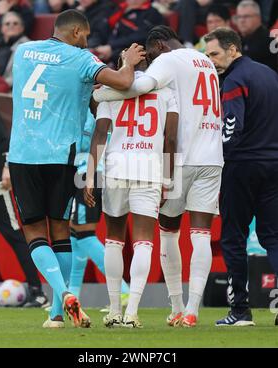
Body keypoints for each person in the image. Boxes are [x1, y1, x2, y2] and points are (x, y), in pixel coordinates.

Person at [8, 9, 145, 328]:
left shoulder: (23, 50)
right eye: (84, 36)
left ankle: (63, 297)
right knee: (60, 230)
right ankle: (57, 310)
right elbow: (124, 82)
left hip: (23, 153)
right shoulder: (82, 59)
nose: (86, 42)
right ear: (74, 33)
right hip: (61, 156)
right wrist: (128, 61)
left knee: (33, 231)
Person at [93, 25, 223, 328]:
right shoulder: (204, 60)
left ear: (159, 46)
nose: (150, 59)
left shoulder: (165, 62)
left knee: (165, 233)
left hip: (176, 158)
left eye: (151, 53)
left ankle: (172, 305)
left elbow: (135, 88)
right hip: (212, 155)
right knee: (200, 233)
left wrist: (102, 91)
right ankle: (190, 310)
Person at [85, 57, 178, 328]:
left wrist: (90, 175)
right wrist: (168, 180)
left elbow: (100, 134)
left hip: (115, 166)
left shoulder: (108, 95)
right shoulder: (166, 92)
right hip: (149, 168)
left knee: (113, 238)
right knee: (143, 241)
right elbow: (170, 138)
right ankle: (133, 311)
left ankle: (114, 309)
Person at [205, 27, 278, 326]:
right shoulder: (269, 75)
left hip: (242, 166)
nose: (210, 60)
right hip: (273, 163)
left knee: (233, 238)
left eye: (214, 54)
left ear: (233, 49)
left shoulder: (234, 79)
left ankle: (240, 311)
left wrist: (219, 158)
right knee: (273, 237)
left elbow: (231, 129)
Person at [46, 110, 130, 327]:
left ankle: (123, 291)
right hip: (95, 173)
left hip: (86, 175)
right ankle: (72, 296)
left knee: (83, 234)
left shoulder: (88, 115)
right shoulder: (101, 112)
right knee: (73, 236)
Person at [0, 94, 48, 308]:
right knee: (15, 234)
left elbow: (1, 134)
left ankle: (38, 292)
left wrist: (6, 166)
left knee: (15, 234)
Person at [95, 0, 164, 65]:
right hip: (109, 48)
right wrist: (98, 45)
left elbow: (141, 37)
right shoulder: (119, 8)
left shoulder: (152, 13)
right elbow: (105, 29)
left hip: (132, 53)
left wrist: (111, 47)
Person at [0, 12, 30, 87]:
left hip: (8, 88)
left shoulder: (27, 47)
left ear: (22, 28)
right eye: (7, 24)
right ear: (2, 28)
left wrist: (2, 85)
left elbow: (22, 75)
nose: (11, 26)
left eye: (15, 23)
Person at [235, 0, 277, 71]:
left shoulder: (270, 41)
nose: (242, 20)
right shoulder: (235, 39)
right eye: (239, 17)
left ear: (258, 17)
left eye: (246, 16)